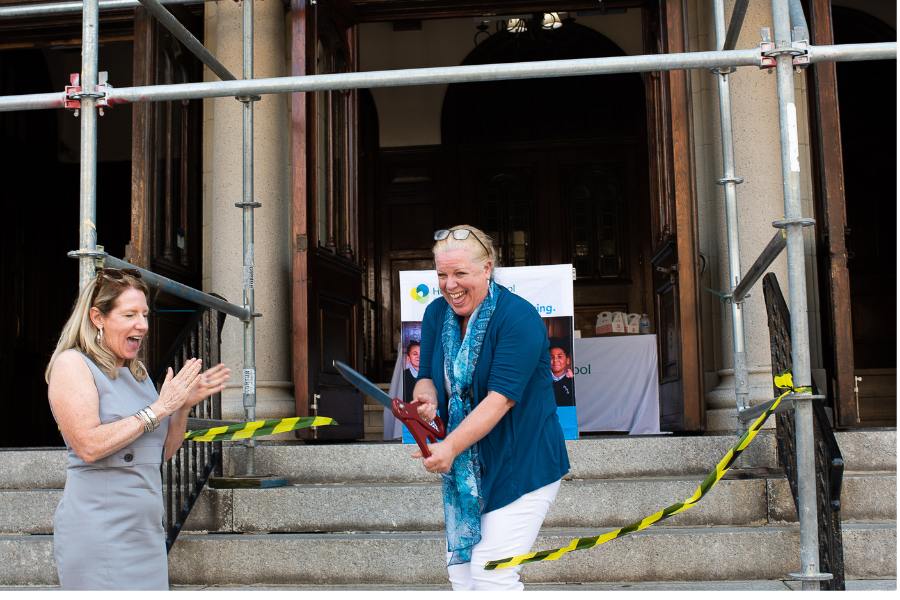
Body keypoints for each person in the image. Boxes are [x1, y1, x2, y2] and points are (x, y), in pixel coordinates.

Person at [45, 268, 231, 590]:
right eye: (129, 314)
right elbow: (87, 445)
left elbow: (159, 453)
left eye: (144, 314)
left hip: (146, 535)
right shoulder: (72, 365)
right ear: (98, 317)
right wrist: (160, 408)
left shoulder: (138, 374)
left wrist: (183, 406)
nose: (142, 325)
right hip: (100, 533)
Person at [412, 225, 570, 591]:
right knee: (461, 574)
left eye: (460, 274)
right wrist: (428, 395)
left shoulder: (519, 317)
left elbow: (499, 400)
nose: (449, 285)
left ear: (487, 269)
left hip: (524, 462)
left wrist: (449, 447)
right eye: (441, 275)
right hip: (473, 469)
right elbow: (425, 376)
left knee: (490, 571)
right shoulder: (437, 313)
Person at [549, 339, 575, 407]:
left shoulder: (571, 381)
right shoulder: (543, 380)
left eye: (560, 356)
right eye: (552, 357)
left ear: (568, 360)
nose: (555, 360)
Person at [402, 340, 421, 405]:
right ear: (408, 358)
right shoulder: (403, 375)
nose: (419, 356)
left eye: (422, 354)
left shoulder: (432, 374)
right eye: (415, 354)